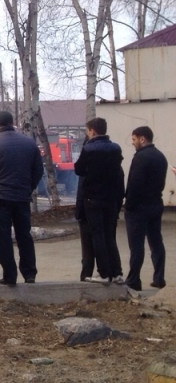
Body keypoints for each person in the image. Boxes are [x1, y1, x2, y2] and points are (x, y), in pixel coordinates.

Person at [0, 111, 44, 286]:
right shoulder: (29, 144)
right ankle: (29, 274)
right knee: (24, 235)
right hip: (21, 196)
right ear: (12, 122)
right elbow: (38, 171)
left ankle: (9, 275)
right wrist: (29, 188)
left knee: (3, 236)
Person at [74, 117, 125, 284]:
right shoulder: (115, 149)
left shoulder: (89, 149)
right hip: (110, 198)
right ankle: (117, 272)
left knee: (97, 236)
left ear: (92, 131)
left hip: (92, 198)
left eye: (87, 131)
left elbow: (79, 169)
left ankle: (103, 273)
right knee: (110, 235)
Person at [124, 126, 167, 291]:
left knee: (136, 245)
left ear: (142, 139)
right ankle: (159, 277)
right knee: (156, 242)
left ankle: (134, 279)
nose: (133, 143)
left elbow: (134, 183)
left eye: (134, 140)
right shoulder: (160, 157)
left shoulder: (141, 157)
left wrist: (129, 205)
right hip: (156, 204)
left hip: (138, 208)